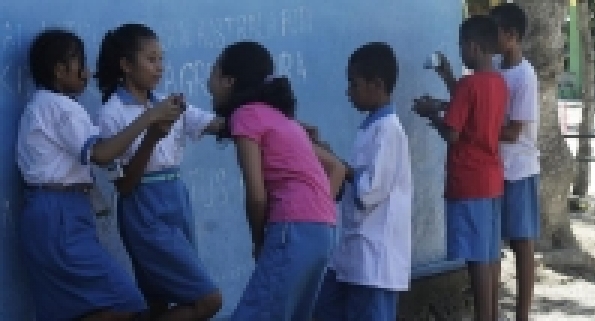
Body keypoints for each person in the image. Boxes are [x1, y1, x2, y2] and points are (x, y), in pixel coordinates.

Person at [16, 28, 183, 321]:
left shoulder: (42, 105)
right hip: (60, 214)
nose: (87, 72)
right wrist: (150, 117)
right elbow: (102, 153)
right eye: (80, 64)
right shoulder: (61, 107)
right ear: (59, 69)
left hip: (53, 211)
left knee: (78, 308)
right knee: (126, 303)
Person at [208, 40, 346, 321]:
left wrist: (259, 241)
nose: (207, 83)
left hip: (290, 229)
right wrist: (316, 210)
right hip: (323, 231)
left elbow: (256, 196)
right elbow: (337, 168)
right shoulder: (282, 119)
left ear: (229, 81)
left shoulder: (244, 116)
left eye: (212, 74)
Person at [95, 23, 223, 321]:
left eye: (161, 59)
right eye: (151, 59)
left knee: (159, 302)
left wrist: (261, 113)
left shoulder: (170, 104)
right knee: (208, 300)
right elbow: (125, 186)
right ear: (126, 65)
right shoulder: (111, 113)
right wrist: (152, 136)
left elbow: (219, 125)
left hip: (176, 200)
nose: (159, 67)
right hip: (143, 207)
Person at [413, 15, 507, 321]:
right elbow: (473, 109)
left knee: (476, 260)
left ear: (473, 47)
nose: (460, 51)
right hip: (492, 180)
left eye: (461, 46)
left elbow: (453, 133)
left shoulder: (469, 85)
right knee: (490, 256)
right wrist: (449, 79)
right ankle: (490, 314)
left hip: (468, 180)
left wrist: (431, 113)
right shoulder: (497, 83)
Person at [313, 42, 412, 321]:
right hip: (355, 251)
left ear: (377, 84)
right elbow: (354, 178)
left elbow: (369, 191)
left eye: (353, 84)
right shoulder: (370, 127)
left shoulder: (389, 131)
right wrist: (330, 158)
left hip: (376, 260)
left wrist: (338, 165)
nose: (348, 92)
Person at [489, 4, 540, 320]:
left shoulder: (525, 76)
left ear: (512, 36)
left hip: (520, 168)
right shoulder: (493, 66)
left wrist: (478, 125)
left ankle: (522, 314)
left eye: (495, 32)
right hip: (495, 167)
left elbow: (512, 132)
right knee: (492, 243)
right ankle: (491, 310)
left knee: (522, 243)